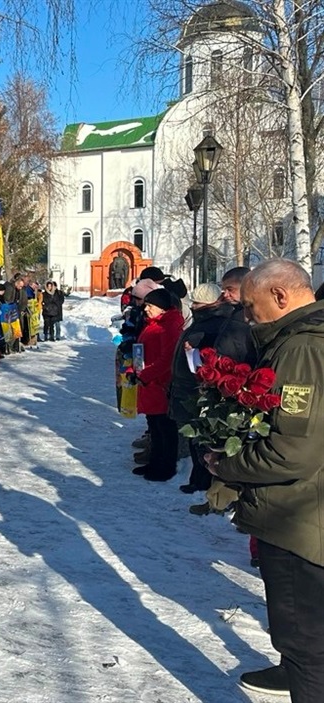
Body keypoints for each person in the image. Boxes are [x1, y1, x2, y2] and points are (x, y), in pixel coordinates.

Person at [199, 260, 324, 701]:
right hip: (305, 508)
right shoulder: (299, 340)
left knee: (307, 641)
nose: (247, 318)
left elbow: (292, 449)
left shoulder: (302, 350)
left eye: (251, 308)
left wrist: (226, 465)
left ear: (281, 297)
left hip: (298, 519)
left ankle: (302, 677)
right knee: (303, 636)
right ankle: (293, 671)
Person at [167, 283, 256, 494]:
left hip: (198, 386)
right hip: (189, 383)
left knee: (202, 437)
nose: (194, 306)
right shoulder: (208, 320)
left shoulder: (217, 323)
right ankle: (198, 476)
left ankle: (202, 478)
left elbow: (217, 354)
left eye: (197, 303)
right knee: (195, 436)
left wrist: (197, 351)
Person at [132, 288, 185, 482]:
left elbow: (167, 359)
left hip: (161, 384)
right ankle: (155, 462)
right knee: (154, 425)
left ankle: (166, 466)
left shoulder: (168, 326)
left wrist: (145, 374)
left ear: (162, 308)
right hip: (150, 382)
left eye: (150, 306)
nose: (146, 309)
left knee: (164, 427)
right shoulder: (155, 323)